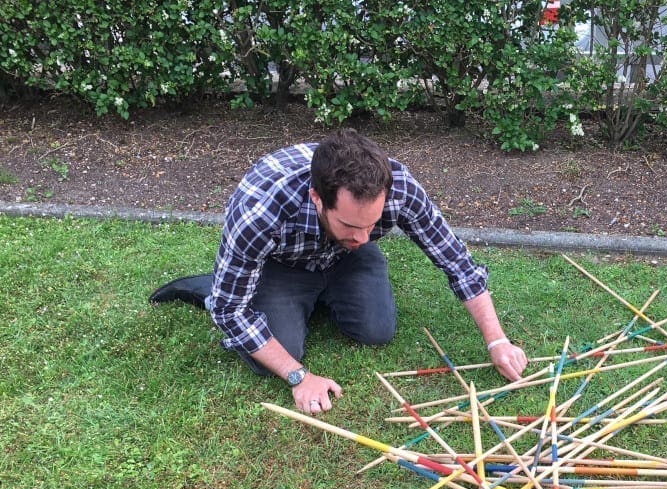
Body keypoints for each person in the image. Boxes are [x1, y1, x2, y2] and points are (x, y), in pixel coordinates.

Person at [156, 129, 528, 414]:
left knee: (376, 331)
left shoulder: (398, 189)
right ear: (318, 198)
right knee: (277, 346)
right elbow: (231, 313)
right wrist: (298, 376)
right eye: (351, 224)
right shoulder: (261, 210)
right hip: (283, 265)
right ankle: (219, 286)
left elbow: (456, 262)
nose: (365, 235)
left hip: (344, 261)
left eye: (373, 223)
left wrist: (497, 341)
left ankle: (308, 298)